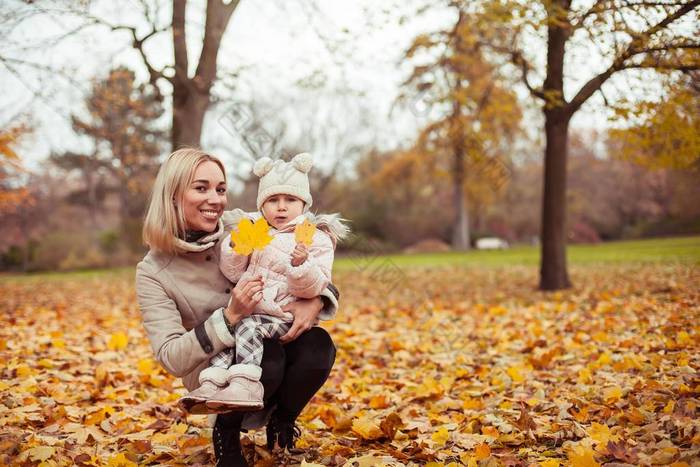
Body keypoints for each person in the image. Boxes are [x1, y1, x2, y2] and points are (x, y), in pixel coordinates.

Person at [135, 148, 340, 466]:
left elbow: (303, 267)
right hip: (215, 367)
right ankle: (226, 434)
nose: (215, 200)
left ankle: (282, 422)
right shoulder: (153, 272)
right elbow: (171, 357)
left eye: (220, 189)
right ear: (173, 195)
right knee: (266, 359)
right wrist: (230, 317)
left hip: (271, 330)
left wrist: (316, 299)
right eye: (201, 188)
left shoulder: (244, 229)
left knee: (319, 347)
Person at [178, 152, 348, 413]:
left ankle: (245, 384)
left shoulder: (315, 239)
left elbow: (314, 286)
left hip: (282, 315)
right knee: (230, 334)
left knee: (246, 327)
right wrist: (235, 249)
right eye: (272, 200)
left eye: (290, 200)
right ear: (262, 205)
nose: (281, 207)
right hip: (253, 310)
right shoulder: (257, 230)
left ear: (303, 204)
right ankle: (211, 385)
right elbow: (234, 274)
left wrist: (300, 264)